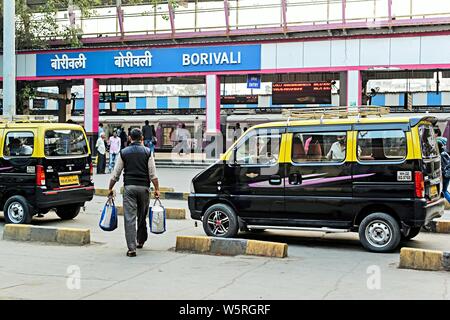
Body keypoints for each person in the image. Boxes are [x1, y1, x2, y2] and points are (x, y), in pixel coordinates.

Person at [108, 128, 160, 257]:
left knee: (129, 218)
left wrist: (110, 187)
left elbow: (116, 173)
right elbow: (153, 174)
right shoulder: (148, 152)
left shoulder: (124, 152)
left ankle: (131, 249)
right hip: (144, 189)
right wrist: (157, 189)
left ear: (130, 138)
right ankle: (140, 240)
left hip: (129, 188)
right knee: (142, 215)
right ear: (142, 138)